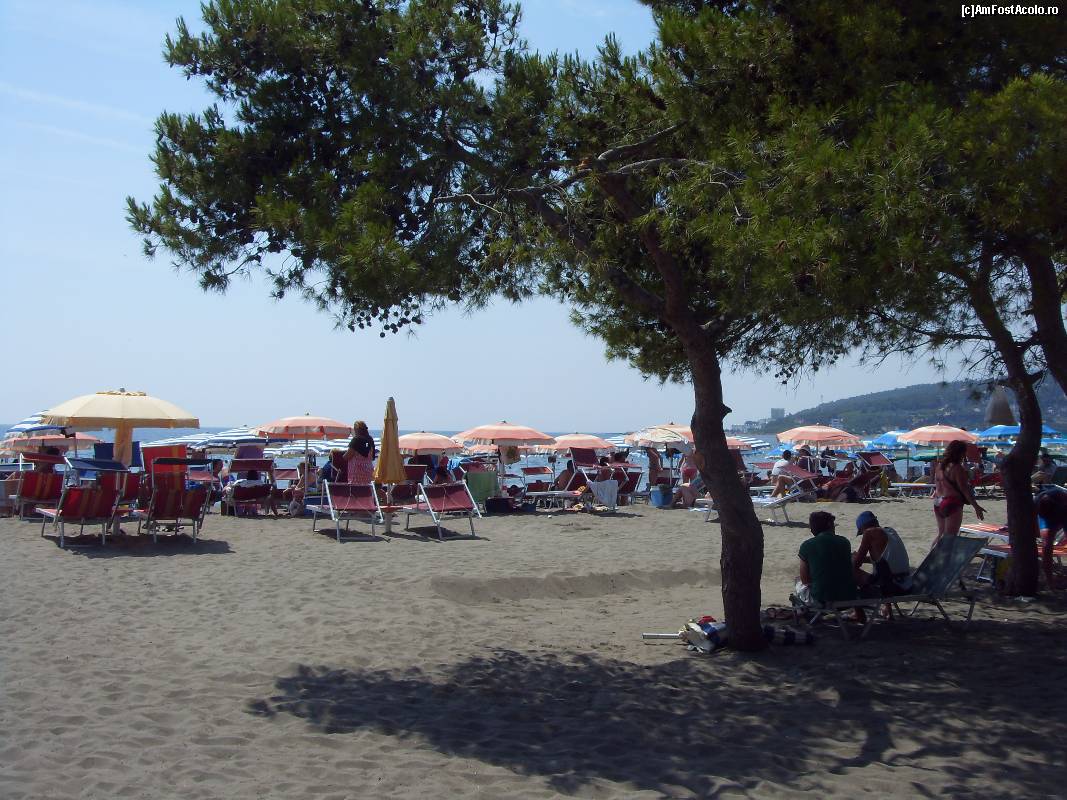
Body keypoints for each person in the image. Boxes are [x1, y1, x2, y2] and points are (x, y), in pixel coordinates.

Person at [794, 511, 858, 606]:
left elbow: (805, 580)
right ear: (829, 525)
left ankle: (803, 612)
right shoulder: (844, 542)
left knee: (798, 582)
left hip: (822, 598)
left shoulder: (807, 545)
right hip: (847, 596)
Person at [932, 439, 985, 544]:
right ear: (960, 453)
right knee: (950, 538)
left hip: (938, 501)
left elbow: (936, 485)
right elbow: (964, 489)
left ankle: (932, 554)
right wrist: (976, 506)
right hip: (951, 502)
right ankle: (944, 556)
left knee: (941, 534)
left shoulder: (939, 466)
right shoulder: (957, 468)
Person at [852, 510, 912, 596]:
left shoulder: (869, 533)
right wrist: (864, 559)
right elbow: (886, 559)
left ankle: (855, 602)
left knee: (849, 570)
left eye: (861, 532)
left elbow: (856, 564)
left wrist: (853, 557)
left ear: (863, 527)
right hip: (907, 585)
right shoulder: (891, 531)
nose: (863, 534)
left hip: (890, 588)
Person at [1036, 489, 1067, 588]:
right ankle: (1049, 581)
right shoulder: (1036, 502)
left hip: (1064, 513)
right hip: (1046, 517)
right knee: (1046, 545)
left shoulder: (1060, 496)